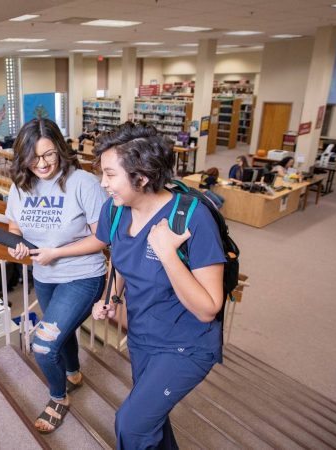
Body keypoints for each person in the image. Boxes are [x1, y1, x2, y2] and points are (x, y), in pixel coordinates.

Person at [90, 123, 225, 449]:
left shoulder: (192, 218)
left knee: (131, 425)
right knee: (152, 422)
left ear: (141, 177)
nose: (103, 183)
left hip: (187, 345)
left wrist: (167, 253)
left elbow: (208, 309)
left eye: (110, 174)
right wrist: (111, 296)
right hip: (142, 337)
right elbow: (119, 259)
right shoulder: (114, 211)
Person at [5, 118, 107, 434]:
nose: (42, 164)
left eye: (49, 154)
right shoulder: (20, 186)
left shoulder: (83, 183)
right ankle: (73, 373)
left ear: (60, 149)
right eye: (33, 157)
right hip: (45, 277)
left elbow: (102, 239)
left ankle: (58, 398)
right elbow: (14, 226)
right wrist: (15, 244)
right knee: (61, 333)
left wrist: (56, 253)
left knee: (44, 345)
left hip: (83, 276)